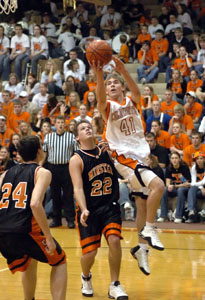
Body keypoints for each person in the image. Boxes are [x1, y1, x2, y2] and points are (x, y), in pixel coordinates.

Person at [92, 56, 165, 277]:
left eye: (115, 83)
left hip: (141, 155)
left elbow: (136, 90)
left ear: (122, 87)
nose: (111, 86)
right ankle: (151, 228)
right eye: (109, 84)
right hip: (124, 157)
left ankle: (141, 248)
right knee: (159, 186)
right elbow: (100, 99)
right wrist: (99, 75)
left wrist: (122, 70)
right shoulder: (108, 107)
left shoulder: (132, 102)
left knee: (142, 204)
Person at [0, 135, 67, 300]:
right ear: (39, 152)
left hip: (3, 231)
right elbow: (35, 203)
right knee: (59, 261)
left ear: (20, 154)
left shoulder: (4, 174)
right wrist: (49, 237)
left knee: (30, 259)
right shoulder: (42, 172)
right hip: (25, 229)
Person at [69, 120, 128, 299]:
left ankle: (115, 284)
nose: (87, 128)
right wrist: (84, 208)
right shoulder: (76, 159)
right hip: (90, 210)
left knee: (115, 240)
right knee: (90, 253)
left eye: (89, 126)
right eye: (82, 128)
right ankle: (86, 277)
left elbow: (123, 164)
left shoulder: (106, 151)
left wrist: (114, 152)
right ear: (77, 137)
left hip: (110, 205)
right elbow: (78, 188)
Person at [42, 115, 78, 228]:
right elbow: (44, 154)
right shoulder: (48, 137)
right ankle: (56, 220)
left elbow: (76, 153)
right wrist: (40, 165)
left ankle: (70, 220)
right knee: (55, 194)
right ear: (55, 124)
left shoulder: (71, 137)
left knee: (68, 194)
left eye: (62, 122)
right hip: (53, 168)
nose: (61, 124)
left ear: (65, 124)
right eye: (58, 122)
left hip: (67, 167)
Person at [157, 151, 191, 223]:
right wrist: (169, 186)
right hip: (174, 189)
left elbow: (187, 184)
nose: (174, 160)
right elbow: (167, 183)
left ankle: (178, 216)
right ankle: (163, 215)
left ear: (179, 159)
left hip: (184, 189)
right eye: (172, 158)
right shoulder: (169, 168)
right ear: (170, 160)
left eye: (176, 158)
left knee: (180, 190)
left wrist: (175, 185)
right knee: (165, 190)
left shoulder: (184, 167)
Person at [185, 152, 205, 223]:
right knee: (192, 188)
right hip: (200, 189)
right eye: (197, 159)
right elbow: (193, 182)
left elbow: (204, 181)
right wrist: (201, 187)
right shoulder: (194, 168)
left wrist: (201, 186)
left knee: (192, 188)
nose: (199, 160)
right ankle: (191, 211)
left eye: (201, 158)